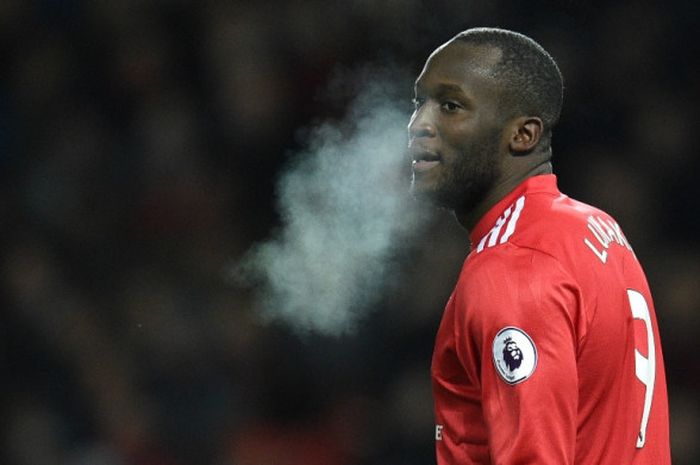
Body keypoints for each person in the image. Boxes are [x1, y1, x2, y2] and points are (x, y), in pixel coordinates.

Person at [408, 27, 671, 464]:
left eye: (450, 106)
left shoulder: (513, 269)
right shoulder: (595, 227)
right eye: (419, 103)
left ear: (523, 135)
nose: (419, 125)